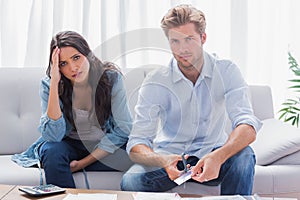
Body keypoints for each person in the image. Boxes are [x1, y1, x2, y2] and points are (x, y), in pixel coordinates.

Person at [121, 4, 262, 195]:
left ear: (203, 38)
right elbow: (137, 143)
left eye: (189, 39)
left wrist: (218, 156)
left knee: (244, 156)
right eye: (175, 41)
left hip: (214, 154)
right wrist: (163, 161)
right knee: (130, 180)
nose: (182, 49)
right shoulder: (156, 81)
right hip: (170, 157)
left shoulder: (226, 71)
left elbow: (247, 125)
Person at [12, 31, 132, 188]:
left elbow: (123, 130)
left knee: (137, 155)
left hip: (103, 146)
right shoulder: (49, 85)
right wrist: (55, 83)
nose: (73, 68)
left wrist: (81, 164)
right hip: (67, 146)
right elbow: (53, 136)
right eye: (63, 64)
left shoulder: (110, 79)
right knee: (52, 151)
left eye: (76, 58)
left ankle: (66, 166)